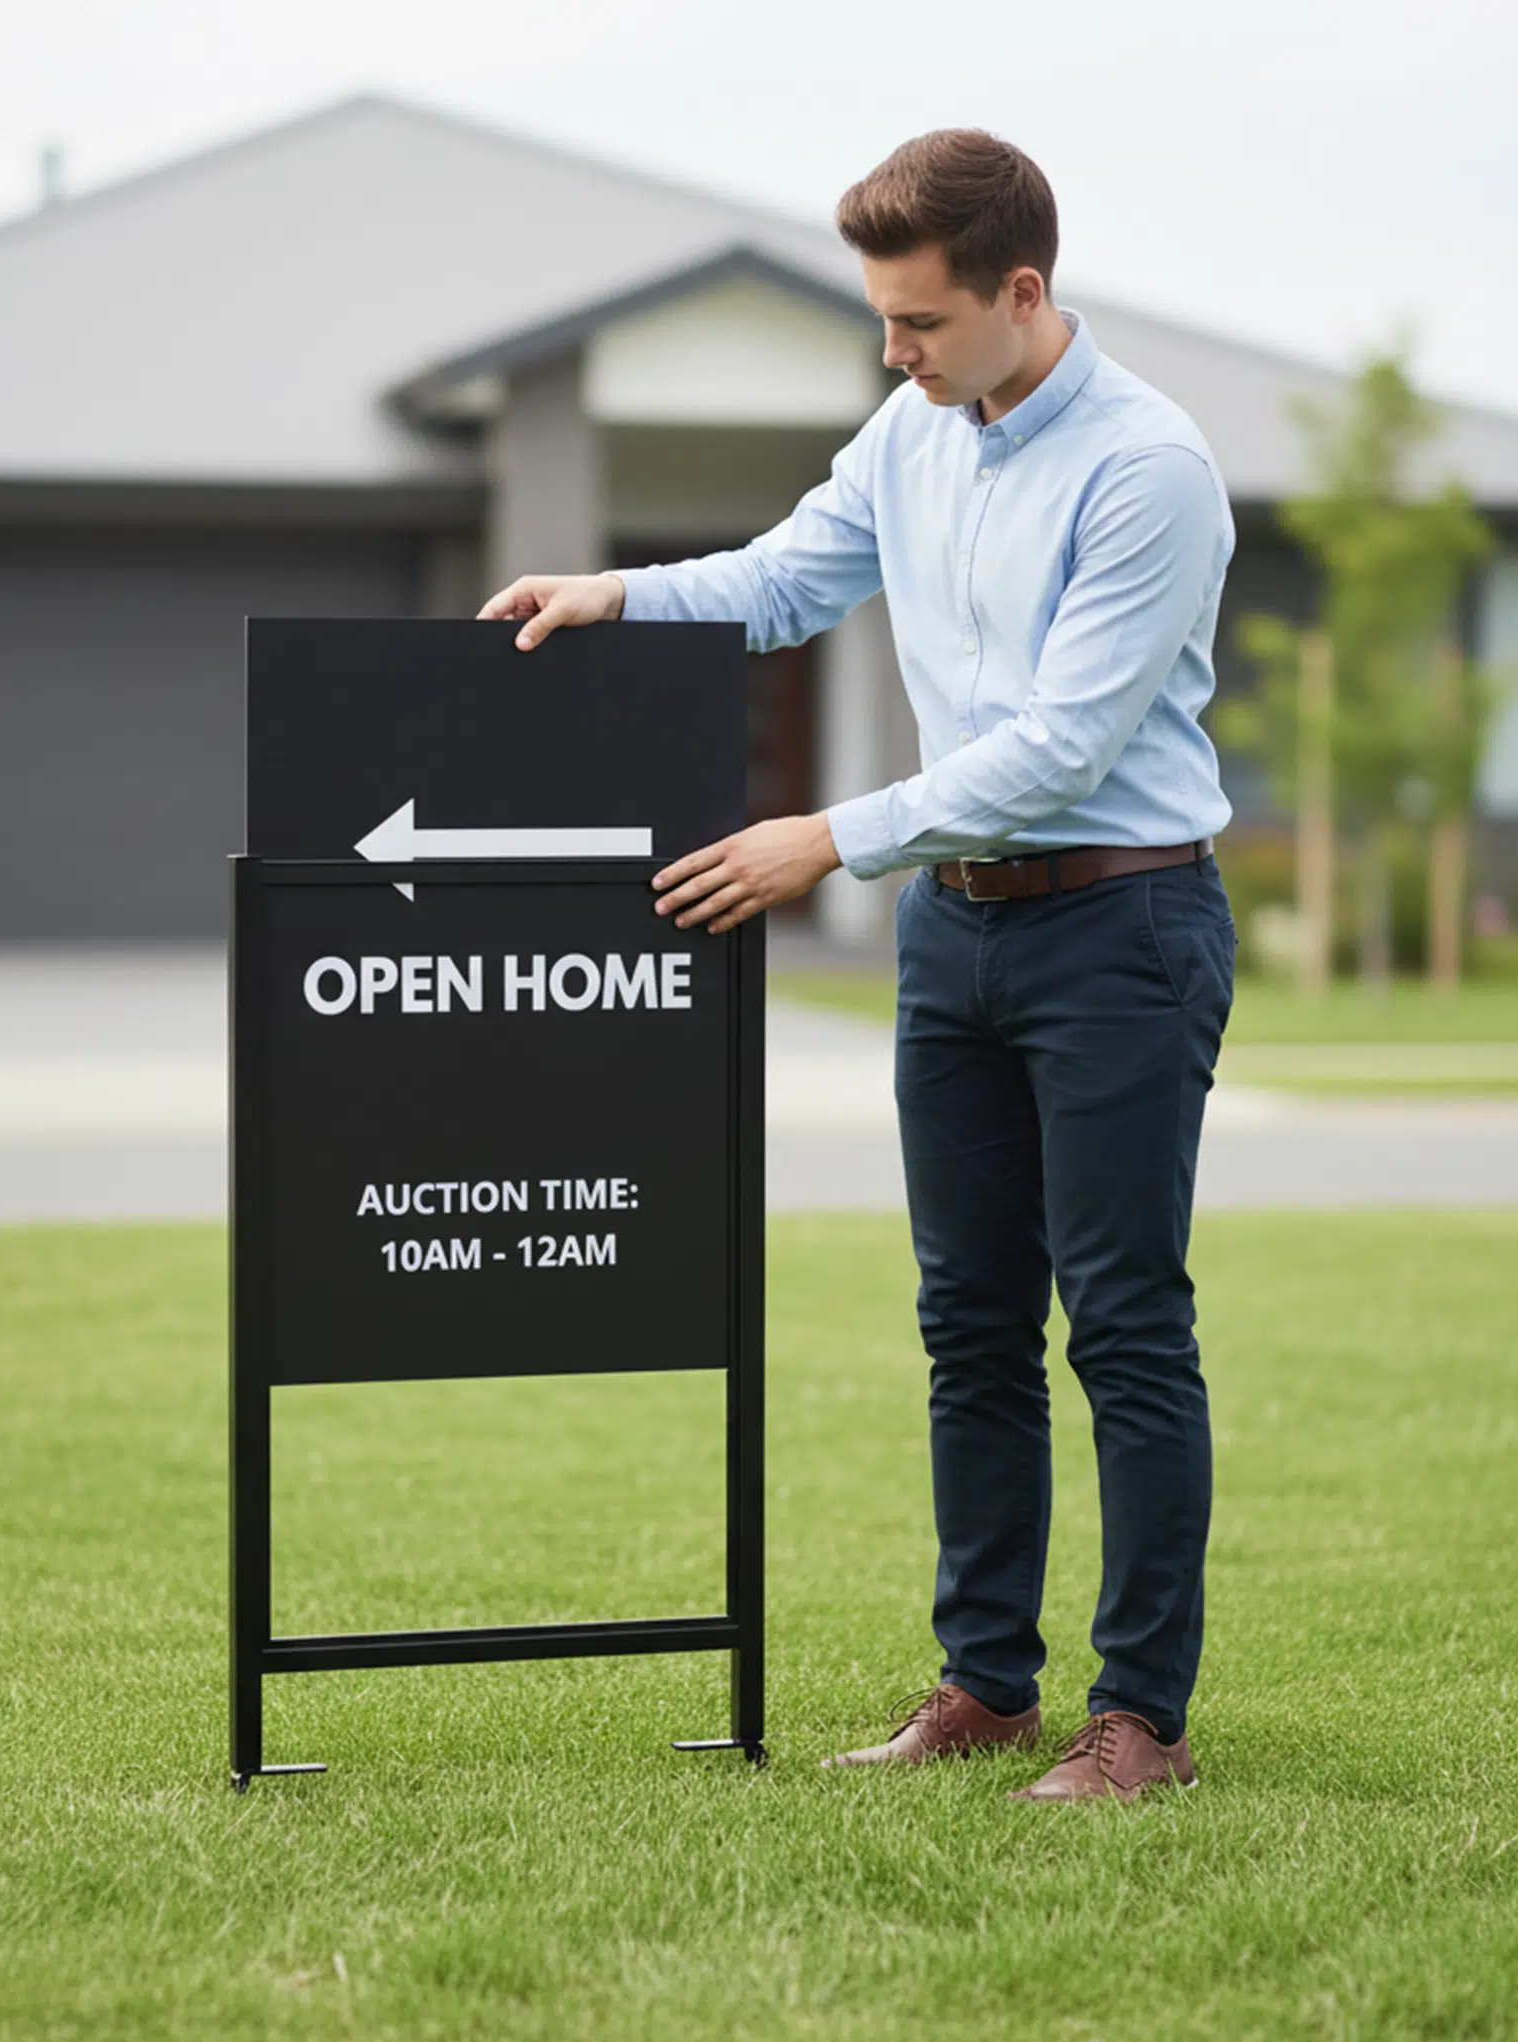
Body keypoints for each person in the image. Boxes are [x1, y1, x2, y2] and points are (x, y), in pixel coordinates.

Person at [478, 129, 1237, 1805]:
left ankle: (1142, 1723)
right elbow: (781, 580)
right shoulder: (914, 431)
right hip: (952, 931)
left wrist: (823, 837)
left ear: (1021, 292)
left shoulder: (1148, 469)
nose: (892, 352)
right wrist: (614, 594)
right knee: (967, 1322)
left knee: (1122, 1325)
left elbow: (1060, 746)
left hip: (1121, 926)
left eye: (919, 322)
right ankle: (987, 1688)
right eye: (882, 322)